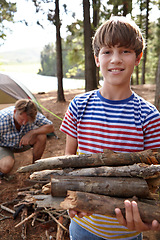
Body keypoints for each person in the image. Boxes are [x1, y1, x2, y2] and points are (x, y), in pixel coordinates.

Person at [60, 16, 160, 240]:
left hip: (126, 232)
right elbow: (68, 160)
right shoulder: (79, 105)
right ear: (97, 59)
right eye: (107, 51)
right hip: (82, 226)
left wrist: (147, 219)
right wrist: (69, 195)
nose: (115, 59)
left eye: (125, 51)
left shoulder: (149, 116)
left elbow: (154, 178)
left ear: (138, 58)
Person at [0, 99, 54, 176]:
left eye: (27, 120)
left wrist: (32, 132)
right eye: (22, 119)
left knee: (41, 136)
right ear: (15, 112)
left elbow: (50, 127)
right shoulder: (2, 118)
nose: (24, 123)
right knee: (6, 166)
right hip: (4, 145)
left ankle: (35, 167)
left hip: (22, 143)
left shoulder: (33, 115)